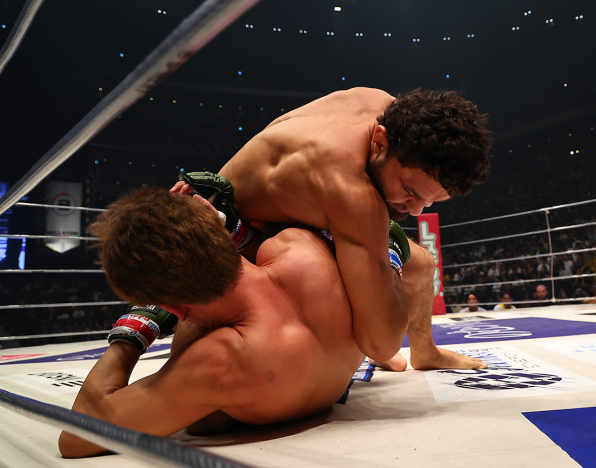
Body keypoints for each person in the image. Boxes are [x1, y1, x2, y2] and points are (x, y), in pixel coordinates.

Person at [172, 87, 491, 371]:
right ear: (380, 142)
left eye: (432, 201)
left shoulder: (380, 104)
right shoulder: (351, 190)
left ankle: (425, 352)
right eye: (410, 191)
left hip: (283, 214)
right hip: (227, 243)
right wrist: (391, 254)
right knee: (347, 285)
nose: (417, 209)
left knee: (422, 264)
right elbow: (381, 342)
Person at [59, 188, 369, 458]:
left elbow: (75, 439)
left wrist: (136, 327)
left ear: (172, 308)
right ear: (217, 228)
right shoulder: (299, 245)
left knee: (203, 421)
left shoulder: (220, 360)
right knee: (206, 422)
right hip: (333, 382)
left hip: (259, 387)